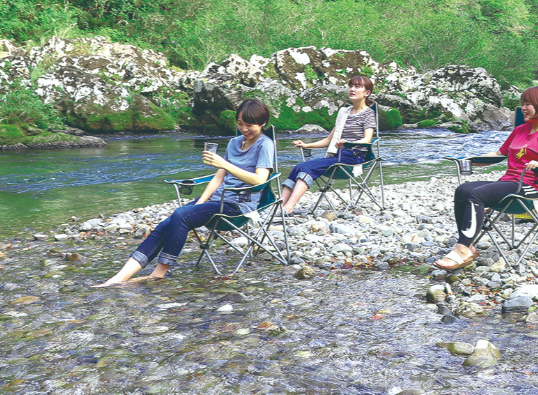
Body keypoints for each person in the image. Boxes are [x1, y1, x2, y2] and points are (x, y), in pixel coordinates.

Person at [97, 98, 276, 286]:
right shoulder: (234, 143)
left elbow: (260, 179)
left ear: (262, 123)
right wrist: (201, 202)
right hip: (217, 201)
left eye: (249, 125)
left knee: (181, 215)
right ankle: (120, 277)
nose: (244, 129)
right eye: (240, 123)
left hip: (238, 206)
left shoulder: (265, 144)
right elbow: (218, 179)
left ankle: (158, 274)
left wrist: (225, 164)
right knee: (167, 223)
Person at [433, 86, 538, 271]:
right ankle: (469, 246)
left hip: (531, 187)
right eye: (523, 104)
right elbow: (498, 154)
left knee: (477, 195)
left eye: (528, 104)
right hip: (509, 183)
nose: (523, 108)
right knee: (463, 190)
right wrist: (470, 160)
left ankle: (461, 250)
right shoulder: (520, 130)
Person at [280, 75, 377, 214]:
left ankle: (288, 208)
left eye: (357, 86)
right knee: (299, 167)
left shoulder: (368, 114)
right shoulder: (344, 112)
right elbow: (329, 140)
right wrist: (306, 145)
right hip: (338, 156)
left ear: (366, 93)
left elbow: (367, 139)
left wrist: (348, 143)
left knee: (307, 168)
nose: (352, 89)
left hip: (354, 158)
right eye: (351, 86)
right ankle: (280, 207)